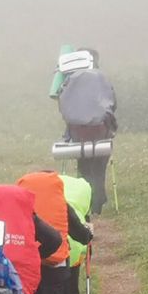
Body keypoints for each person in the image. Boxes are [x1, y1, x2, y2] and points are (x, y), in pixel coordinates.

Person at [16, 171, 92, 294]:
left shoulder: (22, 206)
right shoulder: (60, 203)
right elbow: (79, 232)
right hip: (56, 260)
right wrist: (88, 235)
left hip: (30, 260)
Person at [57, 50, 117, 215]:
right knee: (99, 166)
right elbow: (111, 102)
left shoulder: (70, 80)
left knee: (84, 165)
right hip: (100, 128)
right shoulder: (100, 78)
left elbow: (64, 106)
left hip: (78, 130)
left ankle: (85, 202)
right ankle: (97, 201)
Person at [58, 174, 94, 294]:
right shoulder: (82, 190)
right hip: (74, 247)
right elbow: (83, 232)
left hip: (47, 249)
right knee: (70, 291)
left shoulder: (48, 199)